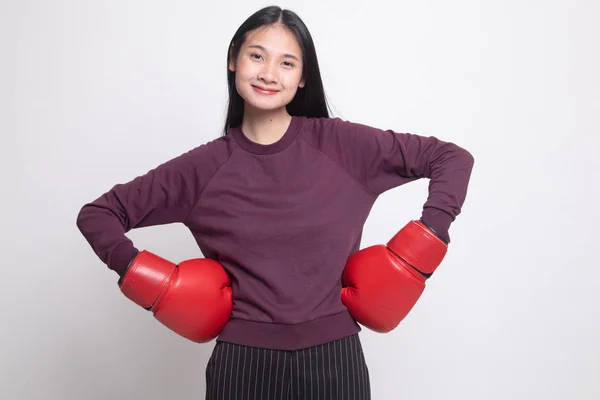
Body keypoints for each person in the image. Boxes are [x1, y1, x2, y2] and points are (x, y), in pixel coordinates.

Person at [76, 5, 474, 399]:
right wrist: (149, 282)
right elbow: (98, 216)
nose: (269, 74)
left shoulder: (342, 146)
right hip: (243, 365)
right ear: (234, 59)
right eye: (256, 56)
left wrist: (428, 236)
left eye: (287, 63)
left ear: (302, 78)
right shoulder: (202, 169)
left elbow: (451, 158)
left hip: (335, 361)